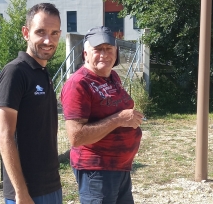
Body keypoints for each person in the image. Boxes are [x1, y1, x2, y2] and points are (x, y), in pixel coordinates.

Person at [61, 26, 144, 204]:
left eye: (109, 49)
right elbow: (76, 136)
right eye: (97, 49)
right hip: (96, 170)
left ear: (116, 52)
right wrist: (119, 119)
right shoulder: (78, 84)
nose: (104, 55)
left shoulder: (113, 76)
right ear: (85, 53)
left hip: (120, 168)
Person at [0, 3, 62, 204]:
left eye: (54, 33)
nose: (47, 40)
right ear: (26, 33)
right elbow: (4, 136)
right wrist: (21, 192)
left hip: (50, 184)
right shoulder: (16, 72)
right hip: (27, 192)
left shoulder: (42, 73)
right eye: (40, 32)